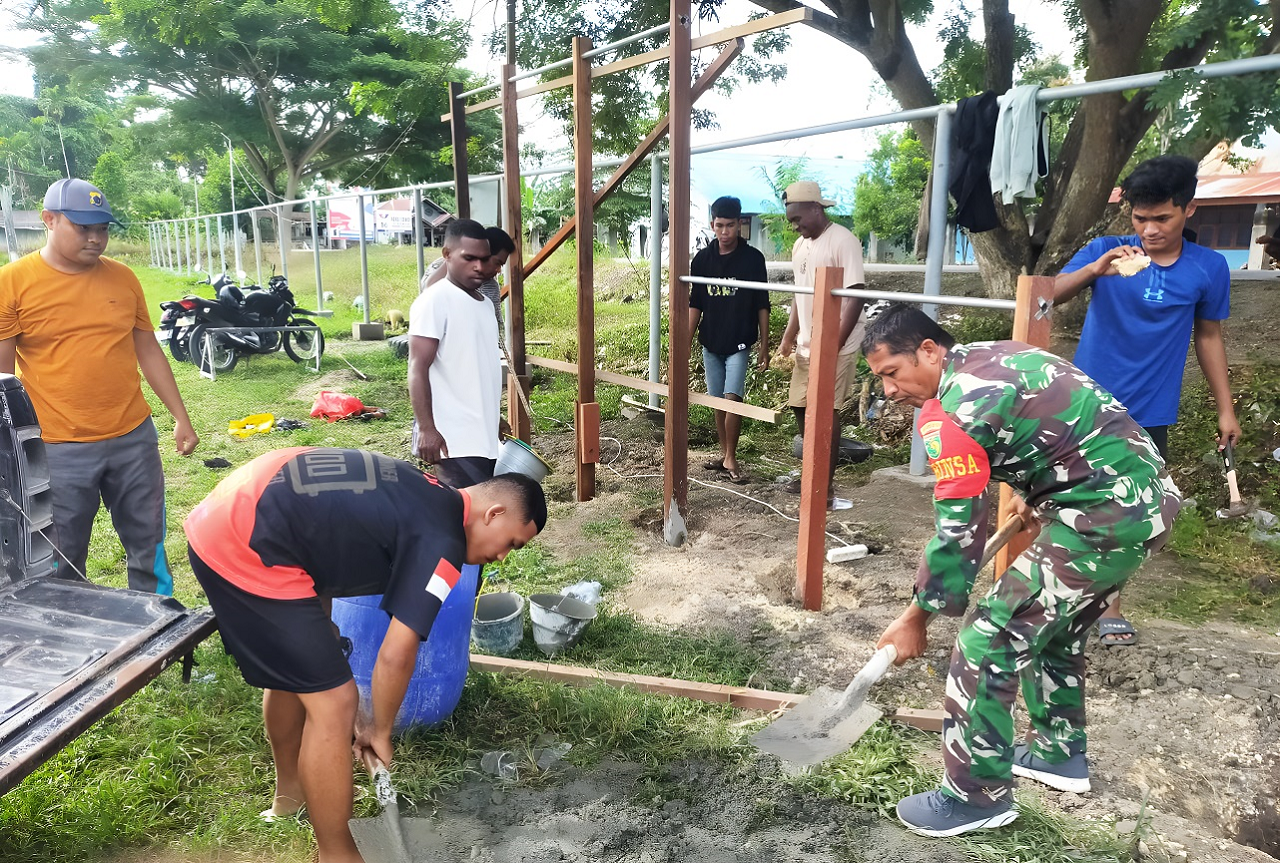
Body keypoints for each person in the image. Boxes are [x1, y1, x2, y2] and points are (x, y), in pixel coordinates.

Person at [862, 305, 1180, 838]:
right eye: (880, 381)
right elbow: (1065, 428)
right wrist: (1045, 490)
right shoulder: (996, 355)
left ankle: (974, 796)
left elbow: (959, 534)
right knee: (1051, 631)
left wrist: (917, 615)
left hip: (1100, 521)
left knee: (990, 639)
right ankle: (1057, 754)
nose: (890, 391)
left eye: (892, 373)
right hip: (1143, 502)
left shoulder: (955, 413)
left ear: (929, 351)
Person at [183, 446, 546, 863]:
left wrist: (323, 631)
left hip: (243, 508)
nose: (501, 556)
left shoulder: (429, 491)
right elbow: (397, 653)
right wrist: (379, 731)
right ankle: (337, 854)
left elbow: (332, 525)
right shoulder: (444, 543)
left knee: (305, 670)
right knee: (336, 700)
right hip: (247, 539)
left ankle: (290, 797)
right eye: (511, 544)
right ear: (494, 513)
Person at [1054, 154, 1239, 646]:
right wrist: (1094, 270)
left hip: (1149, 411)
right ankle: (1064, 595)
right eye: (1140, 218)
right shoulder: (1107, 251)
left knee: (1133, 509)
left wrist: (1226, 407)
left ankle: (1109, 601)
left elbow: (1209, 336)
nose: (1149, 230)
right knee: (1068, 499)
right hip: (1084, 404)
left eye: (1163, 218)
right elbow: (1044, 297)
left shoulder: (1208, 268)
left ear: (1189, 211)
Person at [0, 178, 199, 594]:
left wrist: (181, 417)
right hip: (56, 448)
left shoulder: (124, 278)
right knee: (63, 553)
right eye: (83, 227)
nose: (96, 239)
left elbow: (148, 351)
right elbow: (3, 380)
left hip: (133, 438)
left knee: (148, 543)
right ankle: (70, 636)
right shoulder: (12, 283)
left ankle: (157, 627)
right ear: (49, 220)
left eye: (103, 228)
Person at [777, 181, 869, 501]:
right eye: (791, 221)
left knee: (825, 410)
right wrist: (790, 336)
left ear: (817, 209)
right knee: (800, 405)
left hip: (839, 341)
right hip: (807, 341)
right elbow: (800, 294)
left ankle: (823, 486)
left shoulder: (843, 241)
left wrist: (833, 344)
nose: (795, 226)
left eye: (798, 218)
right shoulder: (800, 247)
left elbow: (855, 296)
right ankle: (810, 471)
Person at [409, 219, 508, 489]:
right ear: (447, 255)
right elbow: (417, 368)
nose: (479, 266)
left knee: (477, 521)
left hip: (484, 440)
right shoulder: (434, 301)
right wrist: (427, 428)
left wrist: (493, 418)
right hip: (452, 441)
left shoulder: (486, 304)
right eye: (469, 258)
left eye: (485, 259)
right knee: (460, 518)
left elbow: (477, 368)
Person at [688, 196, 769, 483]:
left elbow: (763, 303)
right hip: (711, 342)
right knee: (717, 403)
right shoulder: (702, 260)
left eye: (730, 226)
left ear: (740, 225)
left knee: (732, 400)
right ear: (712, 225)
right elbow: (695, 303)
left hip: (740, 341)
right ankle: (725, 454)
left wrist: (765, 345)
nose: (725, 232)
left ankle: (732, 457)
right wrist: (685, 343)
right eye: (719, 225)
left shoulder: (753, 260)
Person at [421, 225, 514, 349]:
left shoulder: (491, 287)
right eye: (497, 263)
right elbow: (429, 290)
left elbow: (496, 327)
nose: (498, 270)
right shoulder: (439, 267)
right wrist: (453, 261)